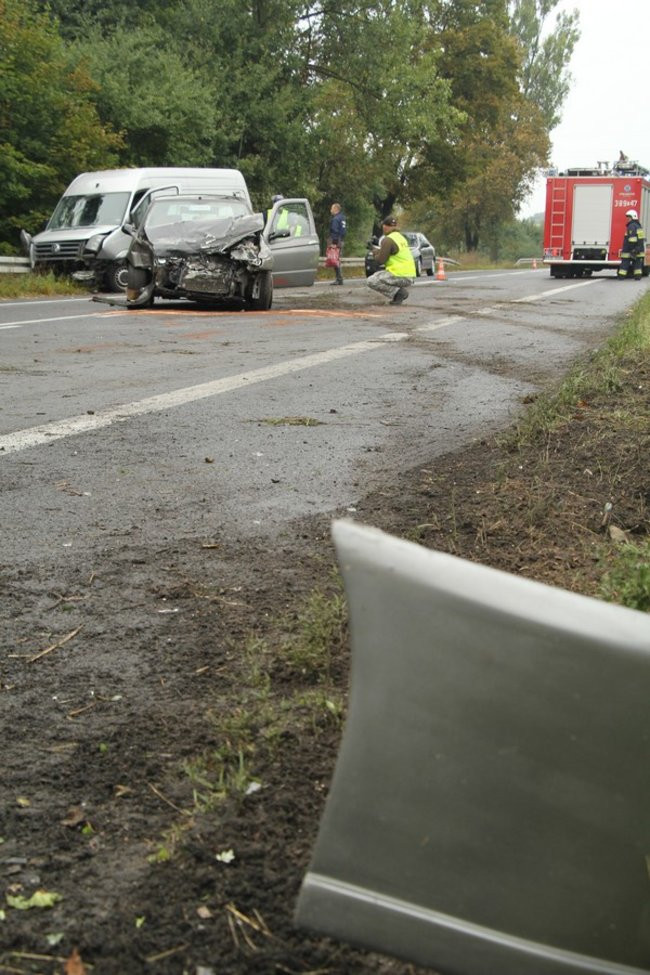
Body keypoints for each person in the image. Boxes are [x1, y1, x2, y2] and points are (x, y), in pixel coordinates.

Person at [366, 215, 416, 304]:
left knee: (372, 280)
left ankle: (398, 293)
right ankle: (398, 294)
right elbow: (388, 252)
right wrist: (374, 248)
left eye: (385, 225)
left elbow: (380, 260)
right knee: (379, 276)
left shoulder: (388, 240)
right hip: (409, 275)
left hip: (399, 275)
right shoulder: (400, 237)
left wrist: (373, 253)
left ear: (384, 226)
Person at [617, 209, 646, 280]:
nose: (627, 219)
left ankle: (621, 277)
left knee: (624, 264)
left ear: (633, 217)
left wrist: (632, 250)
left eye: (629, 217)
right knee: (637, 265)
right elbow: (640, 240)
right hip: (639, 250)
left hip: (630, 250)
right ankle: (638, 277)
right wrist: (637, 249)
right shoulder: (639, 226)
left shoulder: (631, 226)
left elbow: (632, 239)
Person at [327, 202, 347, 285]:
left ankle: (339, 279)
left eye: (332, 208)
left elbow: (335, 231)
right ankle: (339, 278)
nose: (330, 210)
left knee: (335, 259)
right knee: (337, 259)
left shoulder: (335, 219)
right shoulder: (342, 218)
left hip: (336, 241)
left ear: (335, 209)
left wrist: (333, 243)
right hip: (341, 240)